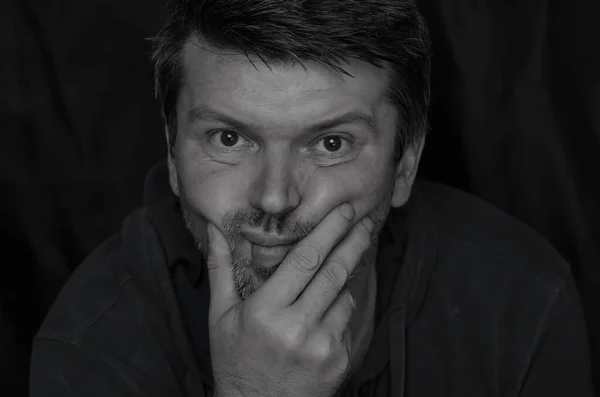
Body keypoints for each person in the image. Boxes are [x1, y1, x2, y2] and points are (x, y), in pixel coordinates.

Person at [29, 0, 594, 395]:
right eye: (229, 138)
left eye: (330, 143)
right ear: (174, 156)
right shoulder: (92, 345)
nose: (274, 198)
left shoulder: (523, 303)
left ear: (406, 163)